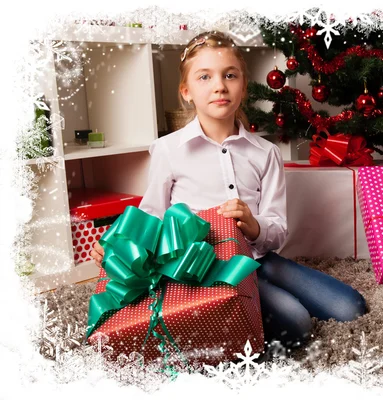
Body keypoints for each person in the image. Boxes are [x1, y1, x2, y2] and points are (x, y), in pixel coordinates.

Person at [90, 31, 367, 349]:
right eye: (204, 76)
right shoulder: (167, 150)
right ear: (187, 91)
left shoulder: (265, 152)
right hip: (210, 270)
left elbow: (277, 229)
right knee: (297, 324)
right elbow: (151, 216)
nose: (219, 85)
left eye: (230, 75)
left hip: (260, 257)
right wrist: (119, 251)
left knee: (351, 307)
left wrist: (253, 224)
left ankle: (263, 295)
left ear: (244, 87)